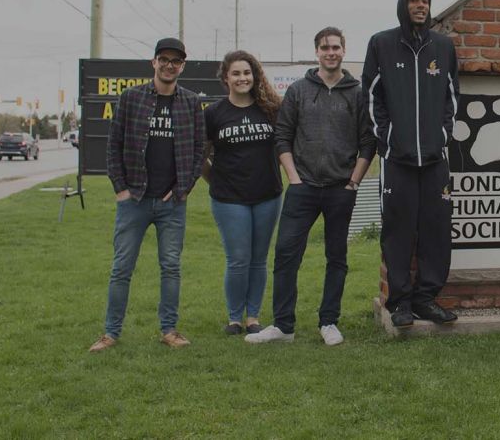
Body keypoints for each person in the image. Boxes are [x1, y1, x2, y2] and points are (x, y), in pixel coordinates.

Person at [245, 27, 375, 346]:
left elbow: (368, 142)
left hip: (340, 189)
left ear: (344, 50)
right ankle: (283, 326)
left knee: (337, 257)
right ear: (316, 52)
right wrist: (294, 178)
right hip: (302, 188)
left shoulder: (357, 93)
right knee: (286, 253)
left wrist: (354, 182)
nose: (330, 52)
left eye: (335, 47)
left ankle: (329, 322)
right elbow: (282, 136)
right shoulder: (299, 90)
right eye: (324, 47)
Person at [89, 37, 205, 352]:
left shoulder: (191, 102)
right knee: (122, 266)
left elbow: (198, 152)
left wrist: (183, 188)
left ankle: (169, 330)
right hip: (135, 200)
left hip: (172, 203)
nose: (169, 65)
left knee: (171, 266)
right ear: (153, 62)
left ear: (182, 66)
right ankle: (111, 333)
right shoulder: (131, 98)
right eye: (164, 59)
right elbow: (113, 145)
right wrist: (120, 189)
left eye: (176, 61)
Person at [363, 0, 461, 328]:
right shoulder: (382, 44)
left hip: (435, 159)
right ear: (402, 6)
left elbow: (452, 98)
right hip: (397, 159)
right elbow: (372, 98)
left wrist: (444, 135)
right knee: (398, 230)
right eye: (414, 1)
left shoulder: (444, 47)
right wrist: (388, 140)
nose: (420, 6)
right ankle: (400, 301)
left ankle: (426, 298)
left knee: (436, 228)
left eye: (425, 1)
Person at [202, 50, 282, 336]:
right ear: (226, 78)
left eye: (246, 72)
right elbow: (203, 156)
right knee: (238, 259)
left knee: (259, 259)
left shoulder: (270, 109)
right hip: (228, 198)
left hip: (267, 196)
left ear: (255, 75)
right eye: (235, 73)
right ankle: (235, 318)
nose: (242, 78)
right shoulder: (213, 113)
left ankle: (253, 317)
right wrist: (217, 181)